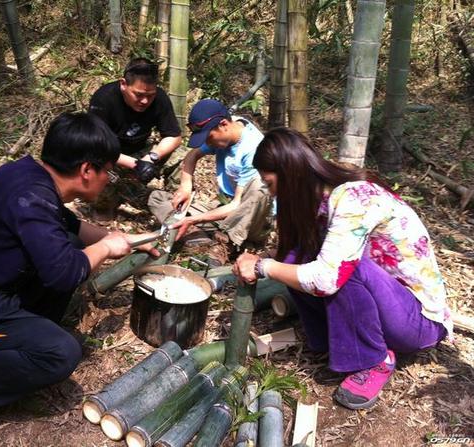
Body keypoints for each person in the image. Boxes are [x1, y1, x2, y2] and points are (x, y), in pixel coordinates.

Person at [0, 112, 159, 446]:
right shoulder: (31, 198)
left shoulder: (31, 178)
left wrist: (130, 241)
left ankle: (23, 342)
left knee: (70, 242)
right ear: (86, 170)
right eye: (108, 171)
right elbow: (65, 273)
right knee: (60, 353)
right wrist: (106, 247)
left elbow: (73, 227)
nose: (108, 179)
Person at [233, 128, 453, 410]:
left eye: (269, 182)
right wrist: (266, 259)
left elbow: (327, 278)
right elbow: (295, 255)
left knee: (344, 269)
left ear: (289, 174)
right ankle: (335, 339)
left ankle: (374, 360)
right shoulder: (323, 201)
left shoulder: (354, 197)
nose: (270, 191)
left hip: (418, 323)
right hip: (391, 307)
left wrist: (263, 266)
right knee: (297, 257)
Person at [149, 98, 272, 265]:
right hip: (225, 209)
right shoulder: (231, 126)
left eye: (209, 138)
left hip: (252, 218)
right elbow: (192, 155)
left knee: (259, 186)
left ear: (223, 125)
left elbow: (237, 205)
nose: (208, 143)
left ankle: (225, 243)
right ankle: (198, 237)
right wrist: (185, 186)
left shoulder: (253, 149)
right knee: (157, 198)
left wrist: (194, 219)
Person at [88, 57, 184, 220]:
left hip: (142, 151)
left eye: (150, 95)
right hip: (111, 157)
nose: (145, 101)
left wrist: (151, 157)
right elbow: (96, 146)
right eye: (138, 95)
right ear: (123, 84)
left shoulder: (160, 98)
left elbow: (174, 136)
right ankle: (106, 202)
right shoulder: (104, 98)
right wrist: (135, 165)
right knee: (93, 166)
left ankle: (176, 205)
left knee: (182, 156)